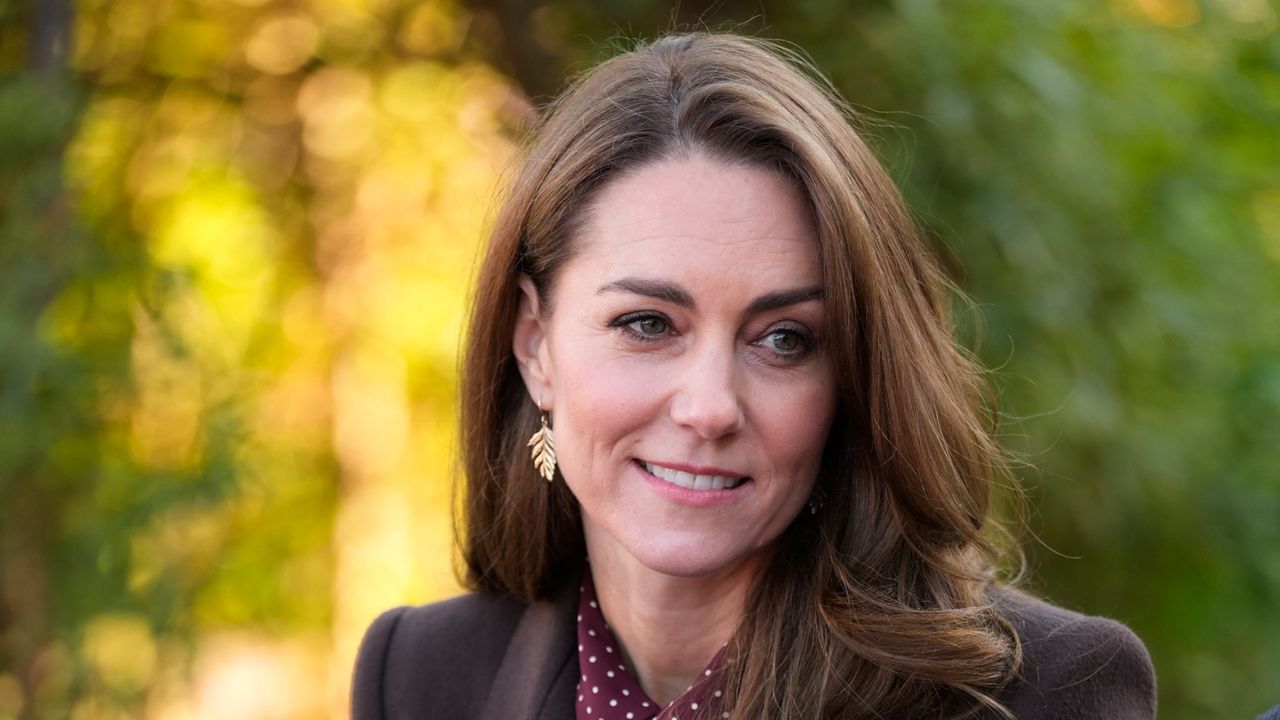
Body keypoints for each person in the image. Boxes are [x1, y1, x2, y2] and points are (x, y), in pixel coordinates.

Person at [351, 32, 1157, 719]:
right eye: (647, 325)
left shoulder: (1045, 691)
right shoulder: (420, 673)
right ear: (535, 344)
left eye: (783, 340)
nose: (709, 408)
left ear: (851, 375)